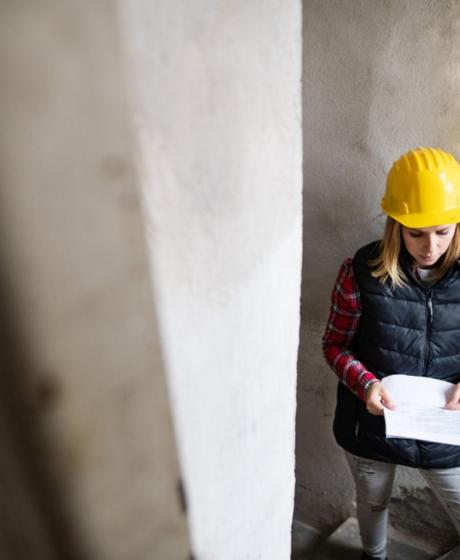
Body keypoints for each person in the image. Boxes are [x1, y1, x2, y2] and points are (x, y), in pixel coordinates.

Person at [322, 147, 460, 560]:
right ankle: (374, 556)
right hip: (373, 426)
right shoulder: (359, 272)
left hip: (445, 435)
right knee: (373, 503)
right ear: (395, 224)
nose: (430, 246)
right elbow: (334, 345)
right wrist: (365, 383)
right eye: (415, 232)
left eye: (442, 231)